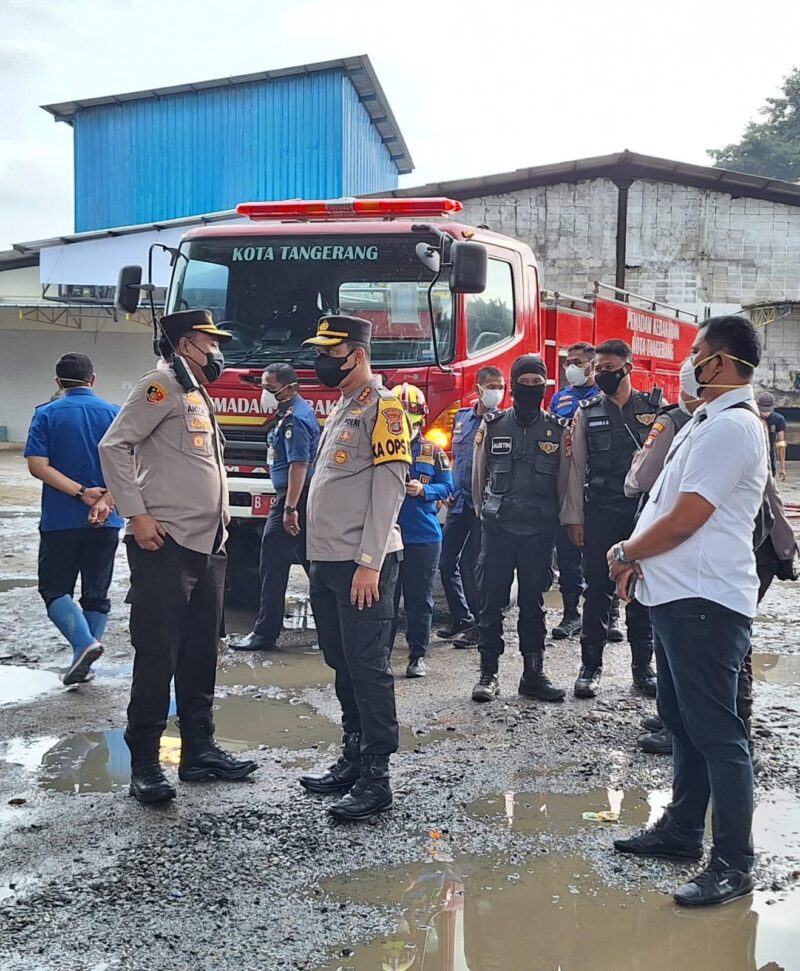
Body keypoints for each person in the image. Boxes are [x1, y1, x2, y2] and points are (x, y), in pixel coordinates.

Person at [611, 315, 767, 907]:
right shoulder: (707, 420)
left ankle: (733, 862)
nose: (687, 361)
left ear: (721, 362)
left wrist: (625, 551)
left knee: (719, 734)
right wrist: (636, 560)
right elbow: (662, 502)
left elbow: (687, 518)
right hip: (677, 596)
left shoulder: (732, 428)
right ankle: (681, 830)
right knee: (681, 721)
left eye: (696, 352)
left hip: (705, 602)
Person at [99, 309, 257, 805]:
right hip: (164, 545)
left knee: (200, 654)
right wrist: (136, 514)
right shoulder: (160, 386)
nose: (217, 352)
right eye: (210, 343)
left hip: (208, 545)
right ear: (187, 343)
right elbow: (114, 445)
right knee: (158, 655)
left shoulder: (193, 391)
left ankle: (199, 750)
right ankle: (144, 761)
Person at [628, 381, 798, 760]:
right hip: (748, 546)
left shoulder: (725, 425)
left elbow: (654, 490)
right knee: (717, 657)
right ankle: (702, 729)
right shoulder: (702, 422)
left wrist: (627, 552)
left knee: (725, 655)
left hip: (741, 553)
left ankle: (737, 734)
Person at [297, 315, 410, 822]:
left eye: (330, 351)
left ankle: (376, 777)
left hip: (362, 565)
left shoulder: (384, 408)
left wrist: (369, 563)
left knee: (368, 669)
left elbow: (389, 489)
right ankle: (352, 755)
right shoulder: (343, 406)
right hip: (327, 560)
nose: (321, 361)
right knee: (341, 662)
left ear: (357, 354)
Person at [561, 339, 658, 699]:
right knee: (598, 591)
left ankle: (642, 669)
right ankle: (590, 668)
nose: (601, 374)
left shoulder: (654, 410)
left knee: (642, 591)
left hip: (642, 516)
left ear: (627, 369)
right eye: (597, 369)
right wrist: (574, 518)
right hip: (600, 513)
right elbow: (575, 470)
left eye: (608, 368)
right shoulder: (587, 413)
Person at [470, 354, 569, 704]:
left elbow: (563, 485)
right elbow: (478, 479)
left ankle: (533, 673)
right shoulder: (493, 426)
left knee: (533, 604)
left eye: (536, 383)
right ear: (513, 385)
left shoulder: (557, 430)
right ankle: (488, 673)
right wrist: (486, 515)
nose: (531, 389)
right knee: (491, 602)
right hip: (498, 530)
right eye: (524, 383)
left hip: (538, 533)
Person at [24, 353, 123, 686]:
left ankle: (84, 644)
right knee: (96, 593)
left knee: (54, 589)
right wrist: (105, 500)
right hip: (107, 519)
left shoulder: (47, 414)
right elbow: (129, 468)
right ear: (93, 380)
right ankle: (86, 662)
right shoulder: (116, 414)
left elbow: (38, 465)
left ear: (58, 383)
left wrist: (82, 494)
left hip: (61, 519)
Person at [230, 363, 320, 651]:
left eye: (269, 388)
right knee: (313, 563)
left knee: (271, 562)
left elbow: (299, 465)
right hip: (295, 496)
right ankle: (336, 629)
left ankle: (264, 633)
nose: (263, 393)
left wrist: (290, 508)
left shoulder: (296, 419)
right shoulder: (287, 414)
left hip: (293, 497)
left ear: (289, 388)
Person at [386, 383, 453, 678]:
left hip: (423, 537)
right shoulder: (381, 447)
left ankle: (417, 656)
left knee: (419, 601)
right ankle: (381, 655)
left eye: (411, 414)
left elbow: (449, 487)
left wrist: (424, 490)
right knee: (385, 601)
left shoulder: (432, 452)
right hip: (387, 536)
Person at [440, 366, 505, 649]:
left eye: (500, 386)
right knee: (445, 563)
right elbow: (457, 457)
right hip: (458, 502)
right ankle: (461, 617)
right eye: (491, 385)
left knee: (475, 566)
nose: (496, 391)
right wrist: (449, 488)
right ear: (478, 389)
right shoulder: (463, 418)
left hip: (483, 505)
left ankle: (481, 625)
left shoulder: (503, 422)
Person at [548, 342, 600, 640]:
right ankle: (570, 614)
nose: (570, 367)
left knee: (599, 555)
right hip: (566, 486)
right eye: (568, 361)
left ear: (591, 365)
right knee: (567, 554)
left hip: (596, 487)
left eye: (577, 362)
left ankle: (608, 615)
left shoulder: (602, 397)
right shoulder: (560, 398)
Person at [756, 392, 787, 480]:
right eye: (762, 410)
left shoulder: (778, 419)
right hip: (755, 455)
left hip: (770, 455)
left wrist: (782, 467)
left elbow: (781, 443)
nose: (765, 414)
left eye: (767, 411)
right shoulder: (752, 418)